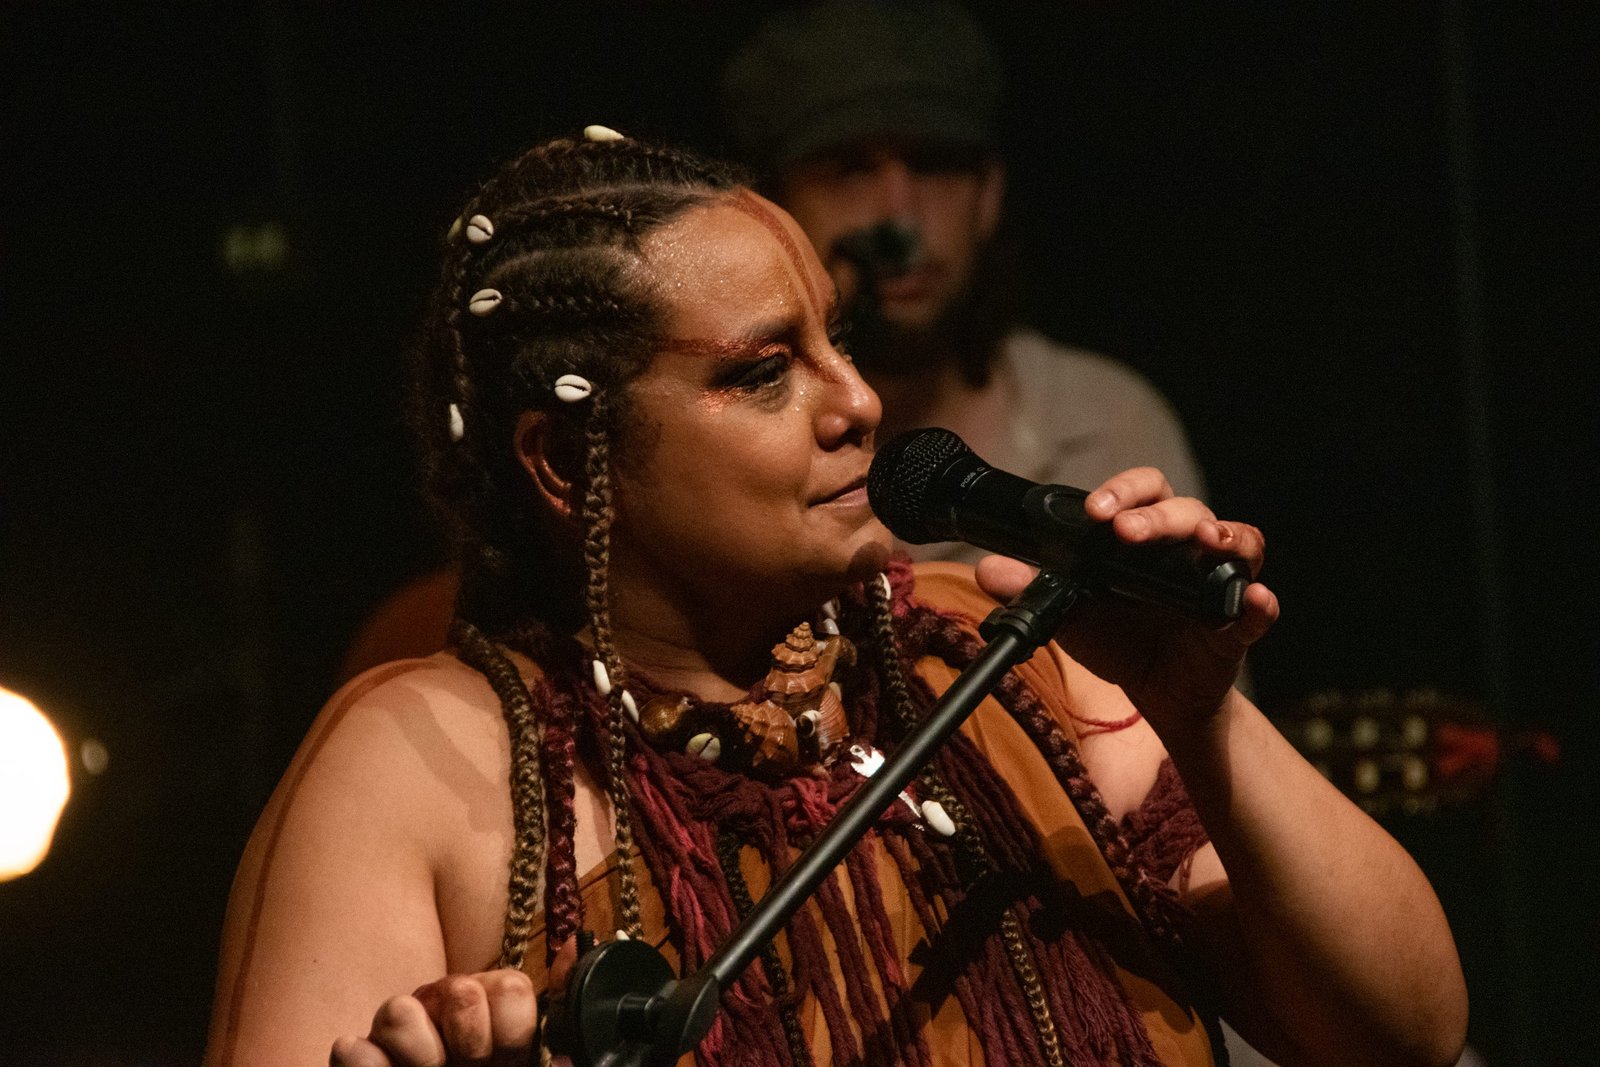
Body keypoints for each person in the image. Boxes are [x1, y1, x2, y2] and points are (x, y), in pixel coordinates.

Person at [204, 131, 1466, 1067]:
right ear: (561, 462)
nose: (855, 400)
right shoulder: (420, 761)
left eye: (837, 342)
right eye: (761, 372)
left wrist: (1206, 717)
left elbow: (1402, 1036)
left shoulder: (1008, 655)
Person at [720, 0, 1206, 568]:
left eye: (933, 165)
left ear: (989, 195)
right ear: (773, 204)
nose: (897, 216)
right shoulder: (732, 452)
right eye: (849, 170)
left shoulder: (1101, 426)